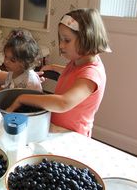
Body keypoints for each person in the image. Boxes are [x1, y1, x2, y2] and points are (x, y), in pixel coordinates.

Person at [6, 8, 111, 137]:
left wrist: (23, 98)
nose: (61, 45)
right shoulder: (77, 62)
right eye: (61, 40)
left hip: (72, 136)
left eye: (67, 40)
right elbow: (75, 75)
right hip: (56, 128)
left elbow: (63, 103)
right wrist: (55, 67)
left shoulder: (92, 74)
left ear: (86, 39)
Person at [0, 29, 42, 93]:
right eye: (5, 56)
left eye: (12, 60)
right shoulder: (12, 72)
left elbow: (33, 101)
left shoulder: (31, 81)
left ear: (25, 62)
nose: (6, 61)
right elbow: (8, 86)